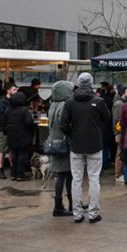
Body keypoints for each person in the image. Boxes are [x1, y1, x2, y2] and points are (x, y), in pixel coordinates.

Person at [60, 72, 110, 224]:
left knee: (77, 180)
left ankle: (77, 214)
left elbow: (63, 124)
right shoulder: (99, 101)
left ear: (78, 83)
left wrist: (72, 135)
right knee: (94, 179)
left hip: (76, 146)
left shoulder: (70, 102)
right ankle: (93, 214)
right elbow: (106, 119)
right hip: (94, 144)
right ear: (91, 83)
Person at [47, 80, 73, 216]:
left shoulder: (52, 105)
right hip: (63, 145)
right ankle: (65, 206)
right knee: (66, 175)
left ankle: (61, 205)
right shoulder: (64, 105)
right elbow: (64, 124)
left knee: (61, 175)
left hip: (54, 143)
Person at [0, 91, 34, 181]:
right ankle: (20, 175)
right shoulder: (25, 110)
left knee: (14, 155)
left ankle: (13, 174)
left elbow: (3, 122)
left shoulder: (8, 109)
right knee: (22, 155)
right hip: (23, 136)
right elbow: (29, 122)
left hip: (11, 136)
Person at [0, 82, 17, 180]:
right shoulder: (2, 102)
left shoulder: (15, 101)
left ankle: (13, 169)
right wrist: (8, 121)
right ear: (8, 90)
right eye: (14, 89)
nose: (16, 91)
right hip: (4, 129)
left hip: (12, 129)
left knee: (12, 149)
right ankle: (0, 169)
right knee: (2, 149)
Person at [111, 85, 127, 184]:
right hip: (119, 132)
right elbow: (117, 120)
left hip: (120, 131)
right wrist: (118, 132)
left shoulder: (121, 103)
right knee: (119, 153)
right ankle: (118, 174)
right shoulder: (119, 104)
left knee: (121, 152)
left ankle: (120, 173)